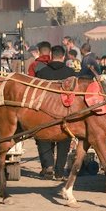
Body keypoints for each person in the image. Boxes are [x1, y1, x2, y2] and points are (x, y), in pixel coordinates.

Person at [34, 45, 75, 180]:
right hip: (65, 112)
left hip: (45, 111)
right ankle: (59, 172)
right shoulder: (71, 73)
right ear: (63, 57)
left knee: (42, 137)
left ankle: (48, 165)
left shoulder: (42, 73)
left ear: (51, 56)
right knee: (64, 140)